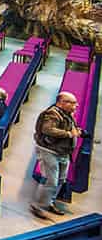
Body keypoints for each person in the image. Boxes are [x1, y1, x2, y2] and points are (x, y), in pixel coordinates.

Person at [30, 92, 81, 220]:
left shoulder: (68, 114)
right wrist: (69, 134)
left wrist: (77, 131)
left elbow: (68, 128)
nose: (76, 105)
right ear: (62, 102)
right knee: (50, 180)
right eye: (73, 103)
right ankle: (38, 206)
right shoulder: (52, 113)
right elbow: (47, 129)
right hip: (49, 151)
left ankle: (49, 202)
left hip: (63, 152)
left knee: (60, 180)